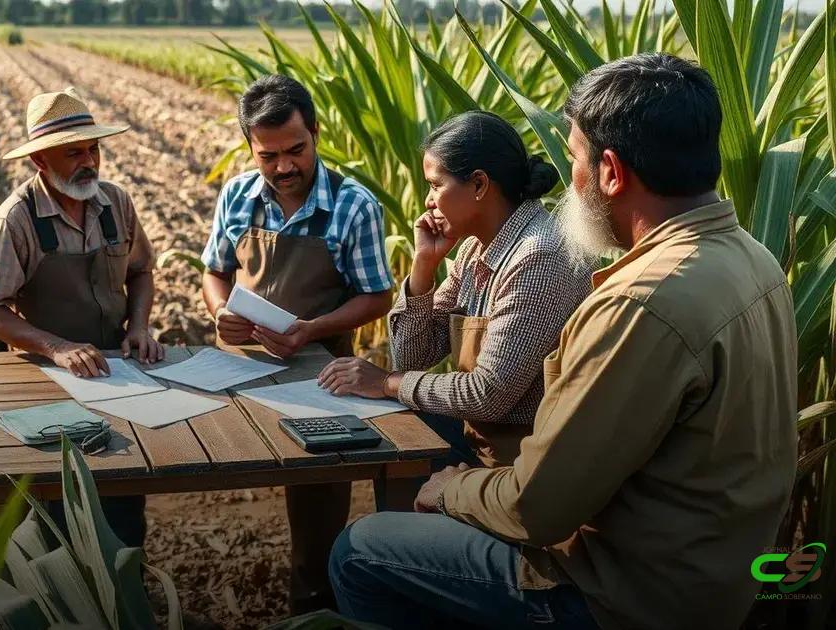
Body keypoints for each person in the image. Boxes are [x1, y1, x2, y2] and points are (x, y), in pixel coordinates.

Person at [329, 53, 798, 630]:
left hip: (626, 592)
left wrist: (451, 491)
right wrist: (422, 276)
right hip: (711, 569)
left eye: (572, 157)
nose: (565, 180)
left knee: (358, 552)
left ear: (610, 172)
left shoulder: (637, 303)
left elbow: (536, 509)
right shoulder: (754, 258)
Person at [199, 75, 394, 612]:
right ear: (250, 149)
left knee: (316, 497)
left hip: (320, 375)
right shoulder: (236, 194)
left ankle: (313, 607)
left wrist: (310, 330)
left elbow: (377, 297)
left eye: (296, 150)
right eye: (268, 156)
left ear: (316, 133)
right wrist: (220, 313)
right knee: (203, 460)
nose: (284, 167)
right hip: (237, 369)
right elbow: (214, 272)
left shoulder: (355, 207)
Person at [317, 111, 592, 470]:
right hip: (482, 441)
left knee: (394, 423)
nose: (429, 200)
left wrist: (386, 382)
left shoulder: (539, 256)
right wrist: (423, 267)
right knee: (391, 422)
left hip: (526, 462)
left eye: (435, 185)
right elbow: (413, 360)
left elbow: (487, 394)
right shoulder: (475, 248)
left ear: (478, 185)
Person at [0, 87, 164, 548]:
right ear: (40, 161)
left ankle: (121, 600)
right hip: (44, 378)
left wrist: (139, 326)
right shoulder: (16, 219)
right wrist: (56, 348)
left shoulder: (116, 203)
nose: (90, 162)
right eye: (74, 152)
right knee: (53, 506)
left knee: (121, 494)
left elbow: (140, 272)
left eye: (94, 149)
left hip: (115, 370)